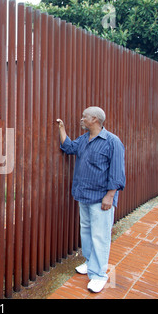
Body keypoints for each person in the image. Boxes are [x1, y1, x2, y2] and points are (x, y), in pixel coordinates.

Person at [56, 106, 125, 293]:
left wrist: (110, 196)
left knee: (100, 236)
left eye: (84, 117)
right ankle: (89, 262)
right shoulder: (84, 139)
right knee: (86, 232)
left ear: (94, 119)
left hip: (101, 198)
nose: (81, 119)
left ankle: (99, 275)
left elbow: (117, 172)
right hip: (83, 195)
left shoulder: (112, 142)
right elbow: (68, 147)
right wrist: (61, 128)